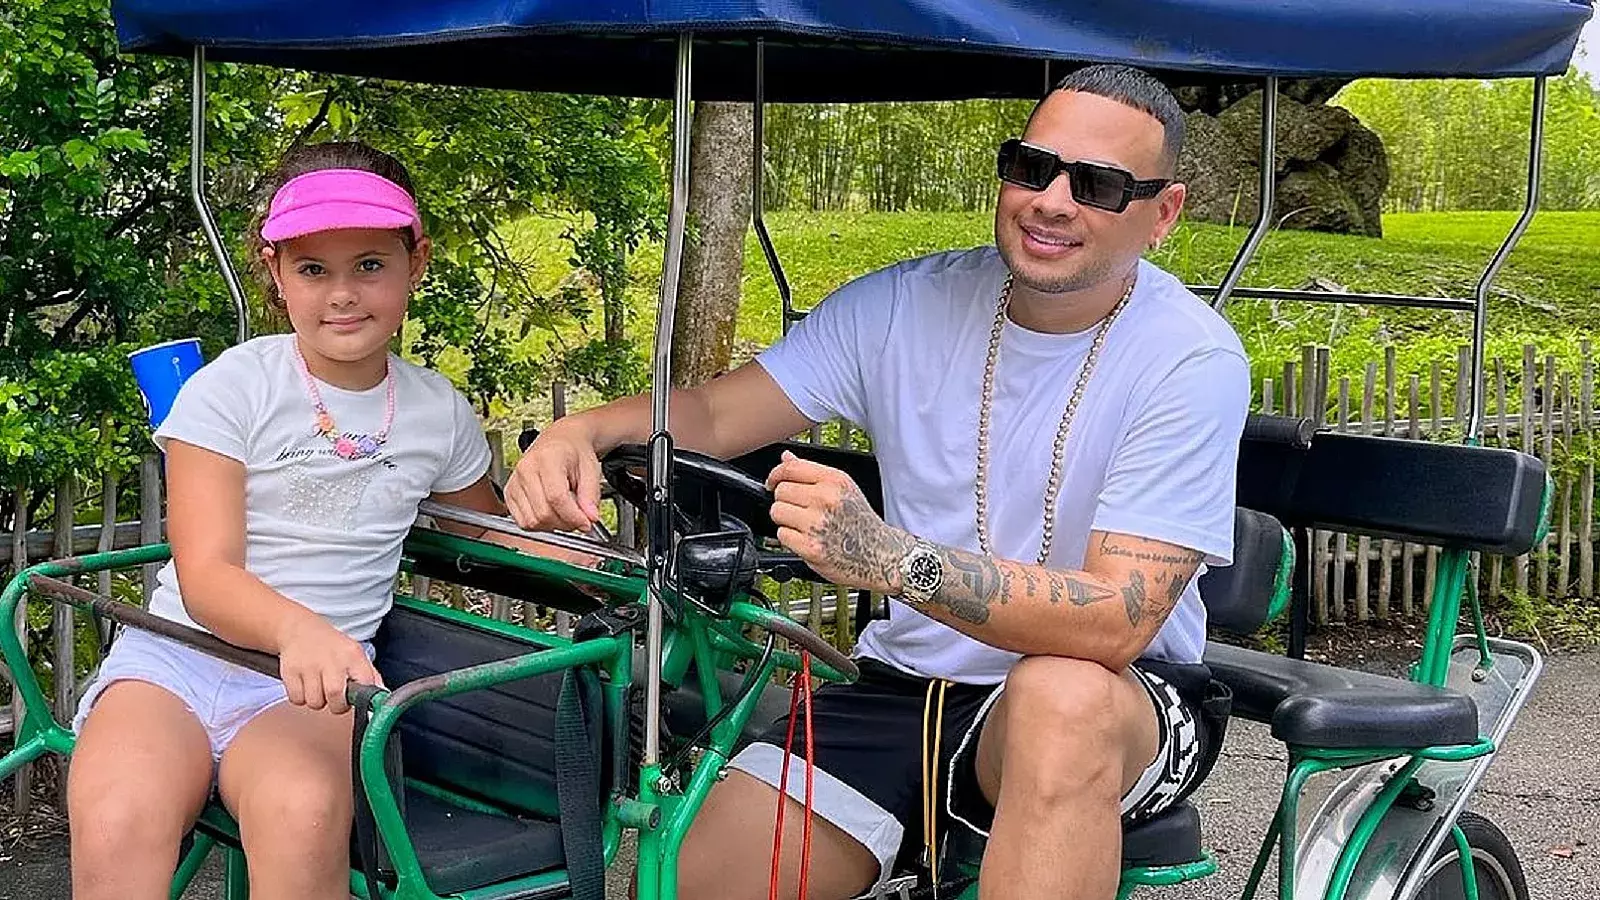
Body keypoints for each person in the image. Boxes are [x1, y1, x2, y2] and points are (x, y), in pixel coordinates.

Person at [507, 64, 1250, 900]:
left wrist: (893, 561)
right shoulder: (904, 304)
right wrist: (583, 429)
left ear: (1165, 214)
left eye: (1099, 184)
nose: (1051, 200)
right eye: (1031, 167)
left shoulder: (1191, 359)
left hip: (1124, 702)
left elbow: (1117, 622)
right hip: (906, 690)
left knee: (1060, 697)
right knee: (685, 883)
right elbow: (715, 416)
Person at [67, 142, 556, 900]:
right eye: (313, 270)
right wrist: (300, 629)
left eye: (369, 265)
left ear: (414, 263)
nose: (343, 295)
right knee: (118, 812)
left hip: (311, 691)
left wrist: (576, 544)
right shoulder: (233, 388)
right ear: (276, 274)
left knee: (303, 813)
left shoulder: (436, 412)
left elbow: (488, 534)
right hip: (181, 660)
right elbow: (206, 573)